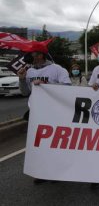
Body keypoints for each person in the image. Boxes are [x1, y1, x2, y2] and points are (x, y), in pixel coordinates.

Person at [16, 43, 71, 185]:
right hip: (35, 113)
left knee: (55, 144)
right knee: (39, 145)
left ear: (40, 55)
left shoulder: (57, 69)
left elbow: (67, 88)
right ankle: (42, 172)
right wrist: (22, 79)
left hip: (54, 113)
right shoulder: (28, 71)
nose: (28, 57)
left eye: (31, 54)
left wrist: (47, 86)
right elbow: (25, 92)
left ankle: (58, 172)